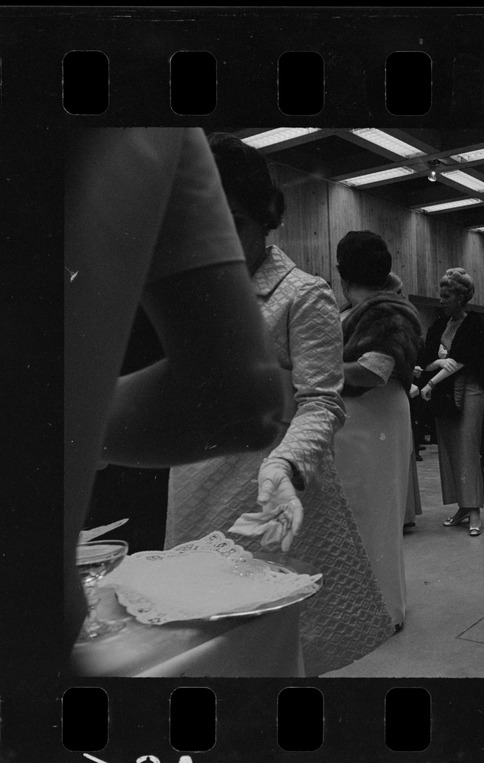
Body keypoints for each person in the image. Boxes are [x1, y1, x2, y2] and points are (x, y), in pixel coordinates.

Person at [163, 134, 393, 676]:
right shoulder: (188, 291)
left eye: (233, 221)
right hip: (192, 479)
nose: (214, 238)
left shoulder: (301, 293)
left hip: (267, 485)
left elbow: (321, 403)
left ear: (265, 217)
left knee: (268, 646)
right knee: (195, 639)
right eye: (200, 221)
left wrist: (286, 464)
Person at [64, 128, 287, 662]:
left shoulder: (303, 288)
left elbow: (291, 395)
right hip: (154, 461)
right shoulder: (154, 129)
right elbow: (242, 395)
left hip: (217, 467)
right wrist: (74, 420)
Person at [333, 231, 422, 632]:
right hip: (358, 419)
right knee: (357, 512)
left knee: (374, 512)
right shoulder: (367, 308)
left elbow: (374, 371)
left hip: (374, 416)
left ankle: (381, 610)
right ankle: (363, 605)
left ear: (341, 272)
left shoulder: (387, 311)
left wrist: (306, 374)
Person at [419, 268, 484, 536]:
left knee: (468, 449)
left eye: (446, 295)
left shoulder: (476, 325)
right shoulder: (437, 325)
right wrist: (437, 364)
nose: (442, 300)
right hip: (444, 396)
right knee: (450, 452)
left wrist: (431, 382)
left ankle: (474, 510)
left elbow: (462, 361)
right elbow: (425, 360)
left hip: (469, 390)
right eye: (441, 295)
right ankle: (463, 505)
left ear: (461, 297)